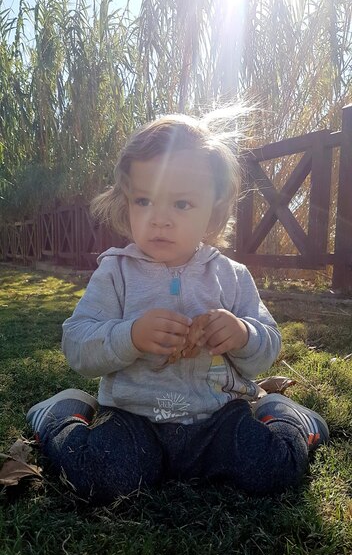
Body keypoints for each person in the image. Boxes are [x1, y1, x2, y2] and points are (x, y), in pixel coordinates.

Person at [26, 112, 329, 505]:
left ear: (213, 210)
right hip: (136, 420)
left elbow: (268, 345)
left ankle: (286, 414)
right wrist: (130, 334)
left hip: (219, 418)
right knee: (99, 475)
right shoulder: (116, 272)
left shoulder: (231, 275)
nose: (159, 219)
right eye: (144, 200)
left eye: (182, 203)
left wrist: (241, 333)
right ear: (126, 202)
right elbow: (77, 342)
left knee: (273, 467)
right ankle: (60, 413)